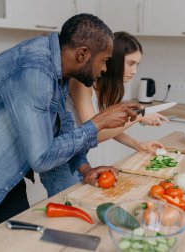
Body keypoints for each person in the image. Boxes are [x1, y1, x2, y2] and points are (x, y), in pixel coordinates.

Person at [0, 14, 142, 252]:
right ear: (83, 54)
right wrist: (98, 123)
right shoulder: (34, 70)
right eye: (103, 61)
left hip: (3, 172)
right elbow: (41, 157)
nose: (104, 69)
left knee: (24, 239)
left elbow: (60, 126)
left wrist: (85, 168)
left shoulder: (58, 67)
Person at [40, 31, 169, 197]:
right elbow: (95, 132)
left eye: (137, 64)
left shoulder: (105, 87)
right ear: (114, 61)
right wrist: (138, 116)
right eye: (130, 63)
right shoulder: (82, 84)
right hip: (60, 161)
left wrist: (138, 144)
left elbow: (109, 125)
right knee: (66, 210)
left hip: (78, 158)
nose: (135, 70)